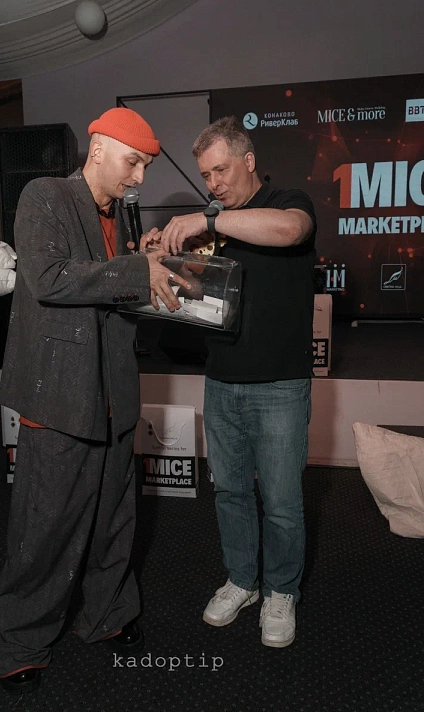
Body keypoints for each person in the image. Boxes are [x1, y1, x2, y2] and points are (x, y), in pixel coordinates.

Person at [0, 107, 190, 694]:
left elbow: (110, 289)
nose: (139, 178)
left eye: (145, 167)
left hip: (114, 392)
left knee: (114, 520)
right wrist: (135, 269)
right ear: (98, 149)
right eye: (134, 163)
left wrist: (147, 263)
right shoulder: (44, 195)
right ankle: (17, 641)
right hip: (60, 395)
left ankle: (107, 615)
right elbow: (48, 278)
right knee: (45, 528)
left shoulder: (119, 216)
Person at [159, 115, 316, 648]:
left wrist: (208, 218)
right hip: (221, 380)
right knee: (229, 492)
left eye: (221, 170)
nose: (214, 183)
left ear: (248, 161)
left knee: (282, 501)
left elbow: (291, 230)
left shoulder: (287, 201)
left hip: (280, 386)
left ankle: (281, 590)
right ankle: (243, 581)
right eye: (206, 175)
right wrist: (162, 256)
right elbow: (191, 293)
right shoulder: (212, 229)